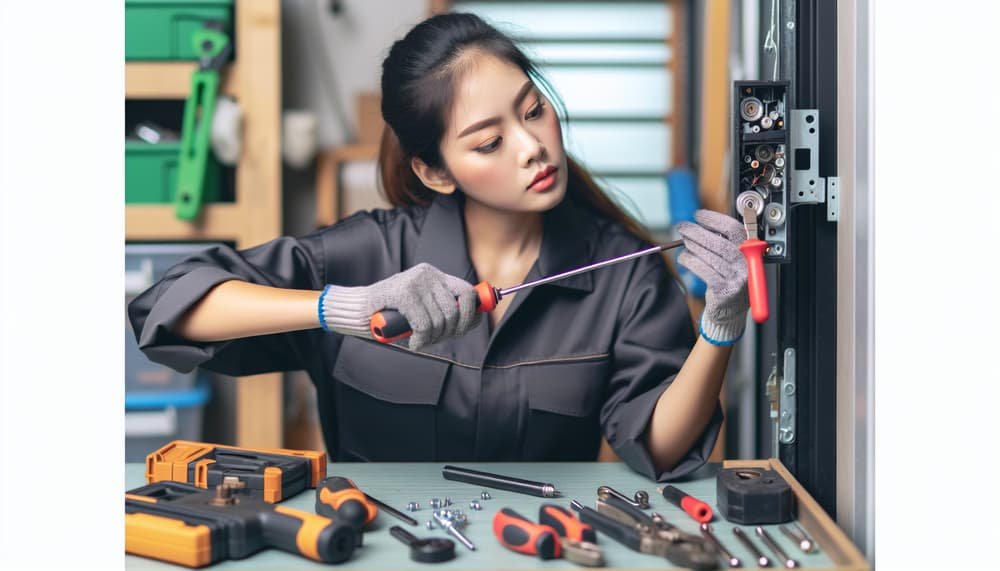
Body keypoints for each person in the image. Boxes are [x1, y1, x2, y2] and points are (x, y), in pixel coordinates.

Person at [128, 12, 750, 481]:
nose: (531, 145)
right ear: (435, 171)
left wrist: (719, 328)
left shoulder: (623, 275)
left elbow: (659, 447)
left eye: (533, 111)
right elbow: (166, 308)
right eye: (488, 142)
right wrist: (336, 309)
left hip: (538, 549)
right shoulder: (367, 253)